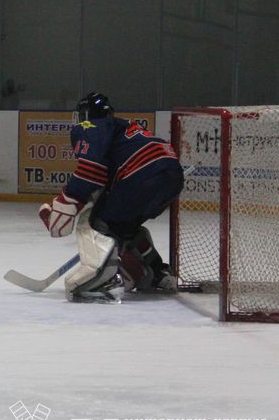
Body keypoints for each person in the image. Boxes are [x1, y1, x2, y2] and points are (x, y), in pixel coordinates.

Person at [38, 92, 183, 303]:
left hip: (140, 176)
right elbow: (105, 177)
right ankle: (155, 274)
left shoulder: (89, 127)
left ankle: (100, 281)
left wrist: (67, 203)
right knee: (122, 225)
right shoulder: (123, 127)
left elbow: (90, 172)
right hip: (172, 177)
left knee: (95, 223)